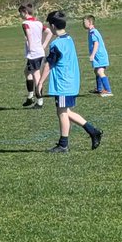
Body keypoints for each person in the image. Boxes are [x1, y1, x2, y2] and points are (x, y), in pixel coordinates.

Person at [43, 11, 103, 153]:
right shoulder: (69, 38)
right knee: (66, 111)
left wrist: (40, 83)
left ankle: (63, 145)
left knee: (62, 113)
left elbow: (49, 64)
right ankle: (93, 131)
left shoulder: (56, 44)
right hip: (70, 81)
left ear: (52, 26)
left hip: (63, 83)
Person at [20, 3, 50, 108]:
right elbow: (49, 32)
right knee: (27, 71)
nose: (20, 15)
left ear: (25, 12)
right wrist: (44, 45)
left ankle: (40, 101)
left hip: (33, 53)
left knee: (36, 76)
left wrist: (30, 47)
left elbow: (28, 35)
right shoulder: (38, 22)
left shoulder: (25, 23)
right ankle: (30, 96)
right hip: (39, 52)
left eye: (21, 13)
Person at [83, 16, 113, 96]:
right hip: (98, 56)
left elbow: (96, 44)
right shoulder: (91, 31)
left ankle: (108, 90)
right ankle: (99, 89)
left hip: (99, 56)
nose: (83, 23)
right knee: (96, 71)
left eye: (84, 22)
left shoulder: (93, 32)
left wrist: (92, 55)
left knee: (100, 71)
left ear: (90, 22)